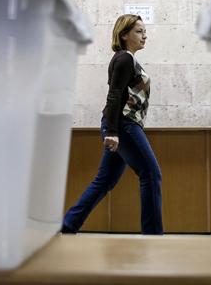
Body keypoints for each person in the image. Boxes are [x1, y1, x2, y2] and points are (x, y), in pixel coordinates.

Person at [61, 14, 163, 235]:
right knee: (151, 174)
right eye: (138, 31)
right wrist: (113, 131)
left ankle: (68, 225)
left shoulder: (128, 59)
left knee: (104, 181)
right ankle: (154, 235)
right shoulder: (124, 58)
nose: (144, 35)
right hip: (124, 126)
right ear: (124, 35)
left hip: (121, 126)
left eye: (144, 31)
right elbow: (114, 95)